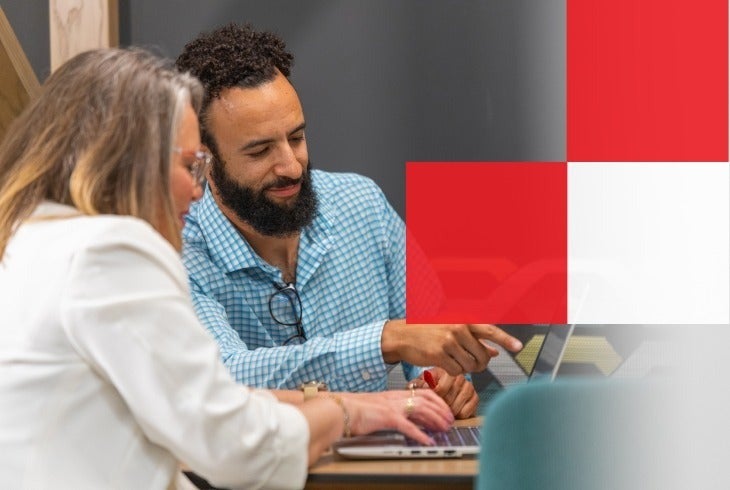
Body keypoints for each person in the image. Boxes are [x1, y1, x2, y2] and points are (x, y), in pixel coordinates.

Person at [0, 47, 454, 489]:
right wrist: (348, 413)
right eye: (188, 166)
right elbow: (232, 443)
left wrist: (353, 403)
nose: (197, 192)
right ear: (124, 162)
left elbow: (199, 398)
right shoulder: (114, 250)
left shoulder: (33, 239)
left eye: (297, 138)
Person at [175, 23, 523, 419]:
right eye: (260, 152)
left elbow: (430, 334)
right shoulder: (178, 248)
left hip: (380, 473)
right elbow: (221, 379)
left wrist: (439, 382)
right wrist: (385, 340)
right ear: (204, 160)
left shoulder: (362, 205)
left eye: (297, 138)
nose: (290, 165)